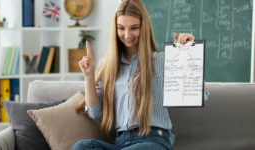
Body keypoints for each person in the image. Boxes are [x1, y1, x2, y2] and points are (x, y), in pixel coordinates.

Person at [73, 0, 210, 149]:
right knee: (81, 146)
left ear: (143, 28)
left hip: (154, 141)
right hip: (120, 144)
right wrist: (89, 75)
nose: (127, 34)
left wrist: (189, 52)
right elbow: (94, 112)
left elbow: (201, 95)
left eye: (134, 28)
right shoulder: (106, 66)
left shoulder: (162, 61)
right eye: (121, 28)